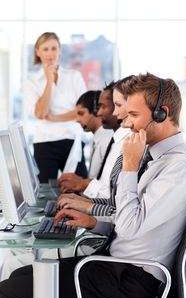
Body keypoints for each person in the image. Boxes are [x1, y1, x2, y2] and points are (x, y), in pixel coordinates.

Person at [0, 72, 186, 298]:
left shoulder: (177, 167)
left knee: (9, 295)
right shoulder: (157, 159)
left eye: (133, 115)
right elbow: (130, 214)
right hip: (116, 267)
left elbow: (130, 226)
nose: (126, 124)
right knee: (19, 277)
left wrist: (129, 166)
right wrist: (91, 220)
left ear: (162, 113)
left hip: (133, 281)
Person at [25, 32, 87, 183]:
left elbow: (83, 111)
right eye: (45, 49)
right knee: (44, 192)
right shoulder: (32, 82)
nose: (50, 53)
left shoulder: (74, 76)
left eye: (54, 48)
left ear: (60, 50)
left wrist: (54, 117)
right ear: (37, 52)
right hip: (44, 143)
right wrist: (49, 81)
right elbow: (40, 113)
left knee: (80, 189)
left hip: (72, 140)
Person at [59, 81, 130, 198]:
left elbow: (113, 195)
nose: (99, 112)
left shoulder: (119, 142)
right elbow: (105, 186)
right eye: (98, 107)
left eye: (103, 106)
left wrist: (82, 184)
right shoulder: (113, 139)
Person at [58, 89, 113, 183]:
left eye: (81, 113)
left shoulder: (107, 140)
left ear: (96, 111)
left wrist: (80, 183)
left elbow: (107, 184)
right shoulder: (95, 138)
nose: (77, 120)